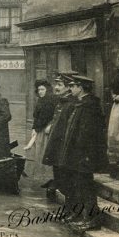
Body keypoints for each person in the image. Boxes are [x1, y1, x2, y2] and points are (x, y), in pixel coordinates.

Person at [59, 75, 108, 232]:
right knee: (79, 185)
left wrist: (86, 154)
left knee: (86, 186)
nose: (71, 88)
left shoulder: (89, 106)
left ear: (81, 88)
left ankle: (93, 219)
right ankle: (82, 215)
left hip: (85, 154)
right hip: (77, 154)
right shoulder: (81, 104)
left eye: (73, 86)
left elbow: (89, 134)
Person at [43, 71, 79, 202]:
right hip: (57, 147)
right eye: (55, 84)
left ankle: (73, 209)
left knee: (66, 180)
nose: (56, 88)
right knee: (60, 177)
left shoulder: (71, 103)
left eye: (59, 84)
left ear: (69, 87)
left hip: (64, 149)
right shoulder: (61, 102)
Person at [24, 80, 57, 182]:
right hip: (40, 129)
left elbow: (51, 116)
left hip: (46, 130)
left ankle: (48, 177)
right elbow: (37, 117)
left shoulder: (51, 100)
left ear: (47, 90)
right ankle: (40, 176)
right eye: (39, 89)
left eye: (42, 89)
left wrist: (49, 125)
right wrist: (34, 128)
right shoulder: (40, 100)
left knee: (44, 153)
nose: (40, 91)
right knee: (38, 152)